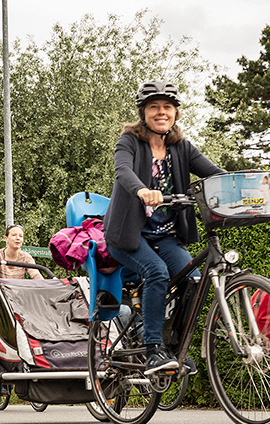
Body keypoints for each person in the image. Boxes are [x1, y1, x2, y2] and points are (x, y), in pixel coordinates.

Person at [103, 80, 225, 375]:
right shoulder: (130, 141)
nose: (161, 112)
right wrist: (142, 191)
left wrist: (245, 186)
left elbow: (215, 173)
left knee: (193, 282)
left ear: (176, 113)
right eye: (154, 107)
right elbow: (124, 171)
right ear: (143, 112)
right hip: (129, 236)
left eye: (167, 107)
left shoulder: (181, 147)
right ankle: (153, 349)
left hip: (165, 234)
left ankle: (175, 348)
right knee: (156, 271)